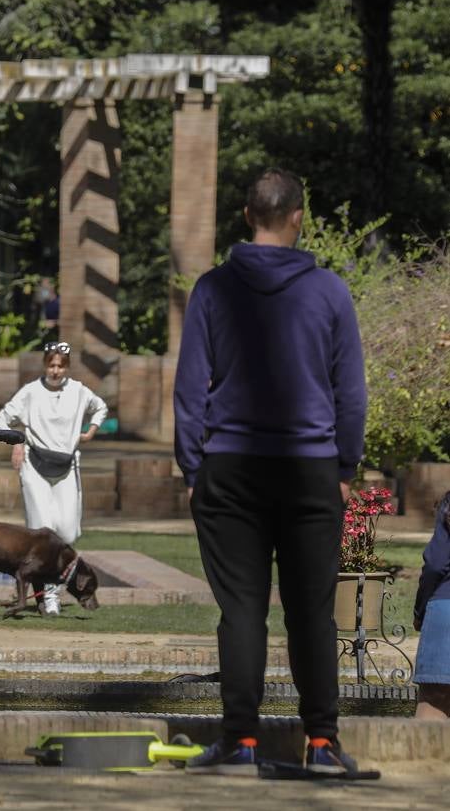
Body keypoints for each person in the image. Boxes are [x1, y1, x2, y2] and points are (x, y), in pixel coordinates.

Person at [174, 168, 367, 776]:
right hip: (309, 467)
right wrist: (345, 466)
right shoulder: (330, 291)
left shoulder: (212, 289)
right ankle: (322, 744)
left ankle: (240, 743)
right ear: (298, 217)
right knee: (311, 610)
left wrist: (192, 466)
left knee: (242, 610)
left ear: (246, 214)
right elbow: (350, 392)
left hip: (231, 467)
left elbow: (189, 389)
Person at [0, 341, 108, 614]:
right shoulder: (30, 392)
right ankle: (48, 596)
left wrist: (90, 431)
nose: (55, 371)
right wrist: (17, 443)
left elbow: (100, 407)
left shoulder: (78, 391)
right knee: (42, 533)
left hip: (66, 466)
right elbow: (0, 420)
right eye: (51, 365)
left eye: (60, 366)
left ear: (66, 367)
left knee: (66, 531)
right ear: (45, 365)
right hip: (35, 466)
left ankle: (51, 590)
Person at [413, 491, 450, 719]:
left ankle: (423, 755)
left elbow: (436, 564)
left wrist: (420, 611)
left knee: (434, 698)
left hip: (446, 609)